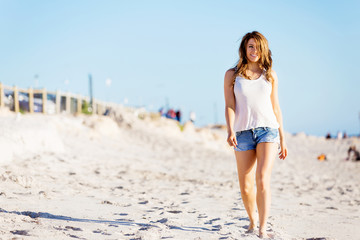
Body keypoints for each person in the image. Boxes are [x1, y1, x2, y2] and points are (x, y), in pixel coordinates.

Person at [224, 31, 288, 238]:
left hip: (267, 131)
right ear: (244, 48)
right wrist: (230, 129)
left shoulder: (270, 74)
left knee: (262, 178)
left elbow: (276, 108)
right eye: (251, 46)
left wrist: (283, 138)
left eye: (258, 47)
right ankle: (252, 221)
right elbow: (230, 105)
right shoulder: (232, 75)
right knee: (245, 185)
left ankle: (262, 227)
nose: (254, 51)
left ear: (264, 50)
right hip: (242, 133)